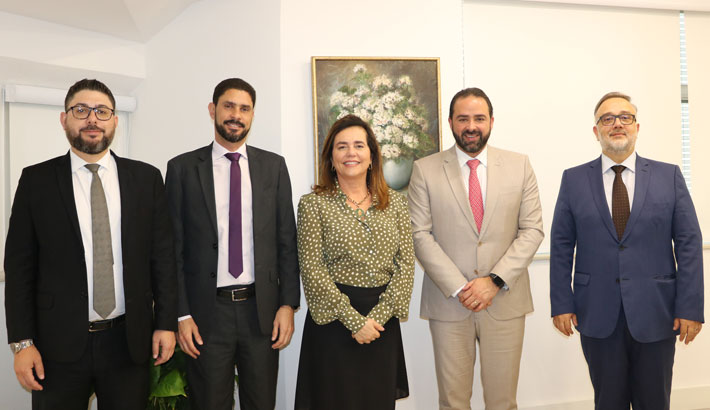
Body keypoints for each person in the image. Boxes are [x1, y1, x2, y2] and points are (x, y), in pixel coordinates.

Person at [4, 78, 177, 409]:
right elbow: (19, 268)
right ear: (64, 119)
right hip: (57, 346)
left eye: (102, 111)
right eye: (81, 110)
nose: (92, 119)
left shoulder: (146, 179)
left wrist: (166, 324)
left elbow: (163, 260)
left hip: (128, 343)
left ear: (114, 121)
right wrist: (22, 344)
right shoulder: (36, 181)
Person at [550, 91, 704, 410]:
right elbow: (562, 244)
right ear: (596, 131)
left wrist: (690, 306)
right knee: (608, 402)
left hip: (657, 312)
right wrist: (561, 302)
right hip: (597, 313)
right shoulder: (574, 180)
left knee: (654, 401)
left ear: (636, 127)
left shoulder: (668, 175)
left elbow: (689, 242)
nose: (617, 124)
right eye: (607, 118)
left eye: (625, 117)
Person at [166, 78, 300, 410]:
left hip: (262, 311)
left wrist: (287, 304)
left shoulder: (274, 167)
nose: (235, 115)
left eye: (244, 108)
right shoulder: (182, 169)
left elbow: (286, 239)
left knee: (261, 403)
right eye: (228, 106)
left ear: (252, 115)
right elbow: (173, 248)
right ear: (213, 110)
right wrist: (181, 314)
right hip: (206, 314)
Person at [408, 87, 543, 410]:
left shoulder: (519, 165)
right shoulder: (424, 169)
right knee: (453, 401)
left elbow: (532, 229)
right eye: (464, 118)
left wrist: (493, 281)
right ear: (452, 123)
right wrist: (460, 287)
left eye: (479, 118)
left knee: (503, 401)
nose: (472, 126)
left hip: (505, 301)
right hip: (449, 303)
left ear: (492, 122)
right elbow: (419, 234)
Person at [294, 114, 414, 410]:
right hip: (334, 324)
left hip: (381, 326)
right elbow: (312, 270)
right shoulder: (313, 205)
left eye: (359, 146)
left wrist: (378, 317)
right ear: (331, 158)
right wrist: (354, 321)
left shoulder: (396, 203)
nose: (351, 153)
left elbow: (406, 266)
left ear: (372, 156)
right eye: (342, 147)